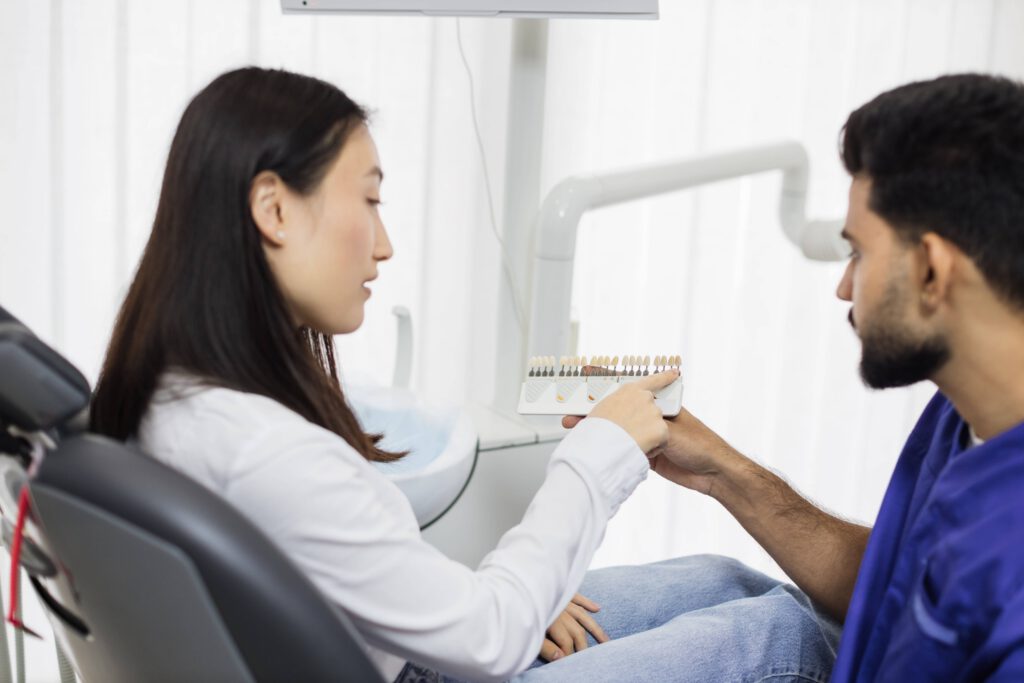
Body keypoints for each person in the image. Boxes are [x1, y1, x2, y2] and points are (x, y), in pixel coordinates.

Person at [89, 66, 681, 683]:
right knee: (772, 627)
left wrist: (518, 589)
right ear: (274, 208)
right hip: (433, 663)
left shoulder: (167, 396)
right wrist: (597, 454)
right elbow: (492, 640)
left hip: (409, 643)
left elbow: (365, 573)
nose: (385, 245)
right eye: (369, 200)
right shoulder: (269, 452)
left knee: (726, 584)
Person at [515, 73, 1024, 682]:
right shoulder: (961, 410)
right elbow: (902, 579)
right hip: (850, 647)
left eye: (857, 253)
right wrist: (726, 472)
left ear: (933, 271)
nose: (843, 287)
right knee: (715, 586)